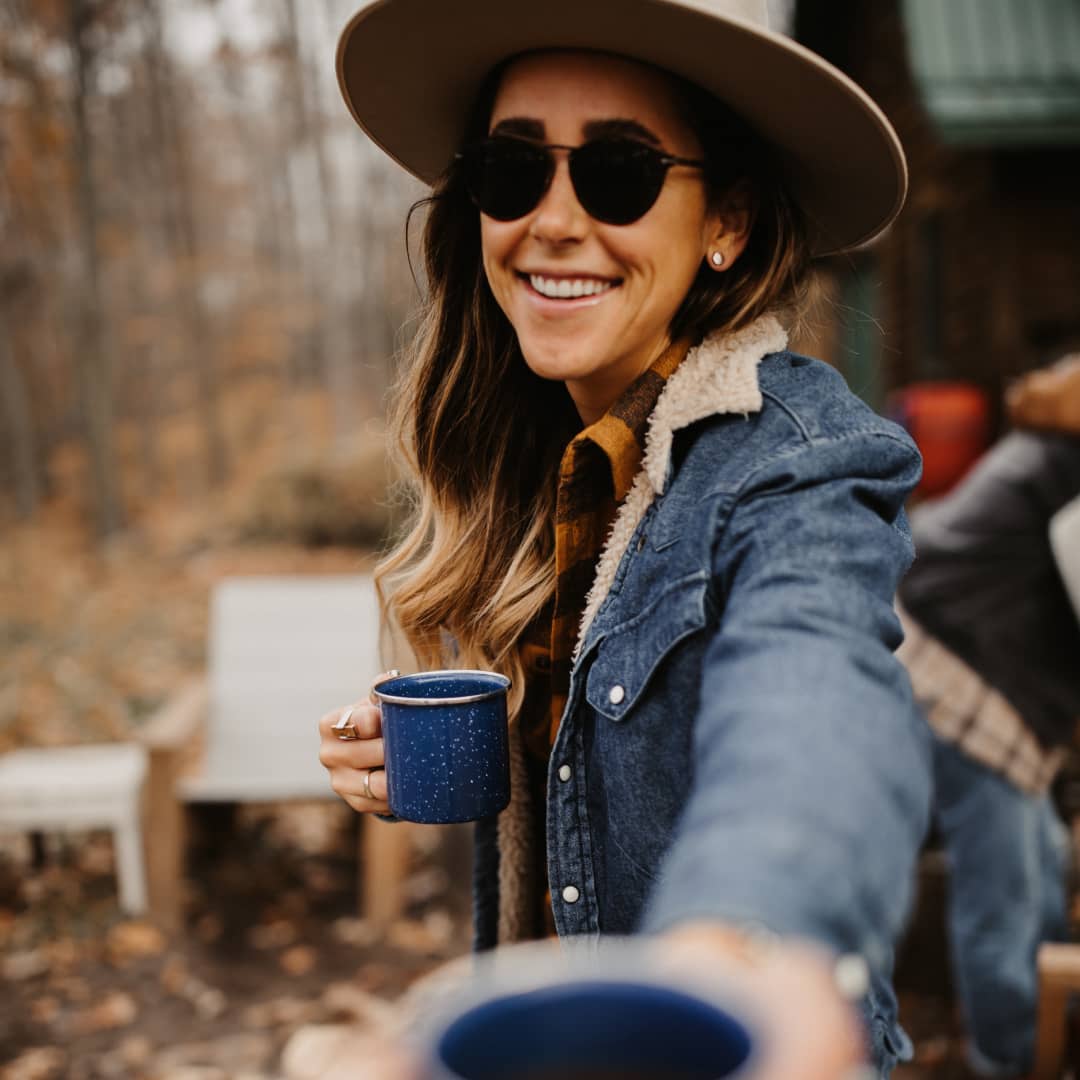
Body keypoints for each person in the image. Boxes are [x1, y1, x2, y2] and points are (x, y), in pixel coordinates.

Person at [317, 2, 931, 1076]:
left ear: (726, 221)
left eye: (619, 172)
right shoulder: (551, 455)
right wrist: (462, 733)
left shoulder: (801, 459)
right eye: (513, 172)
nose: (551, 220)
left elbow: (816, 698)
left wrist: (741, 937)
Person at [897, 353, 1080, 1079]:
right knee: (1003, 889)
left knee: (1037, 862)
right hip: (959, 673)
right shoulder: (1064, 471)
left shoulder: (1052, 451)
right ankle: (1007, 1060)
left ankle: (1041, 1034)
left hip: (980, 663)